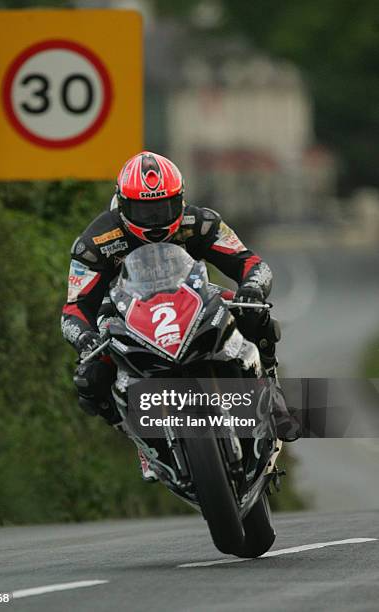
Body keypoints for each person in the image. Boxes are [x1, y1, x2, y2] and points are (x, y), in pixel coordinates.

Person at [62, 152, 286, 478]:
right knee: (90, 377)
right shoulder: (95, 242)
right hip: (125, 314)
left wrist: (251, 287)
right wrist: (85, 338)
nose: (154, 219)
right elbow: (73, 307)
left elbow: (252, 264)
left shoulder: (201, 222)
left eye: (163, 207)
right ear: (122, 205)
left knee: (253, 312)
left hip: (196, 298)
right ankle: (142, 440)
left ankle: (272, 393)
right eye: (143, 209)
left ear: (180, 199)